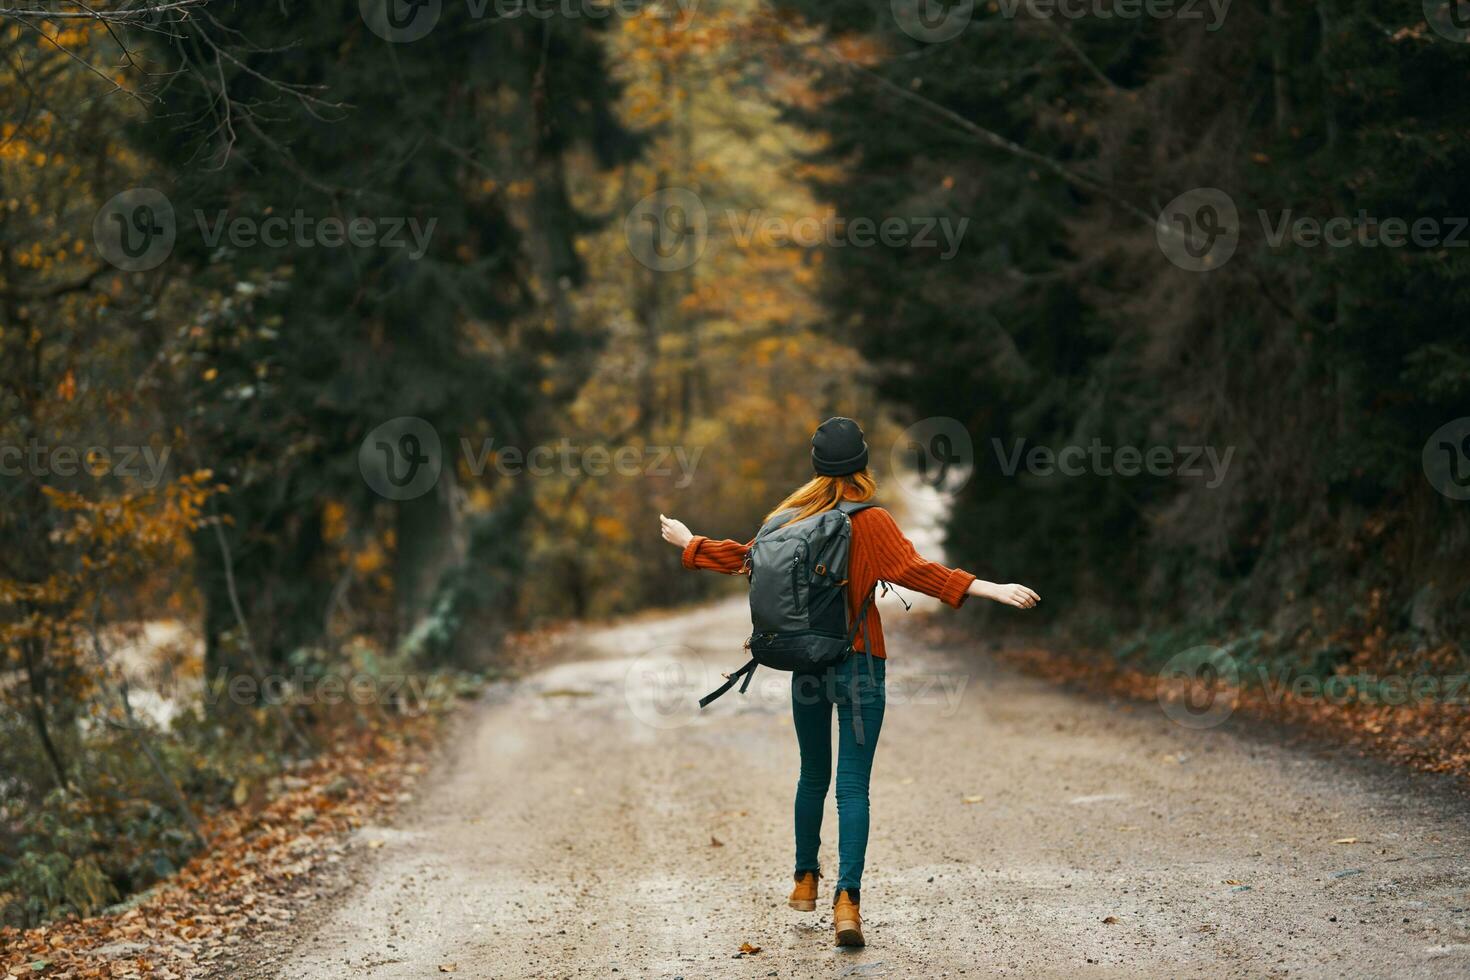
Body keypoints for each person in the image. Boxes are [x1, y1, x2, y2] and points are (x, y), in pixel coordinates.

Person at [659, 416, 1039, 947]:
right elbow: (917, 572)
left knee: (812, 774)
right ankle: (847, 904)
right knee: (853, 786)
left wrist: (690, 542)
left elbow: (747, 560)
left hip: (806, 664)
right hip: (859, 663)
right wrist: (990, 588)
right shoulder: (872, 521)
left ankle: (804, 879)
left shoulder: (788, 518)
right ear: (863, 465)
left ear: (816, 466)